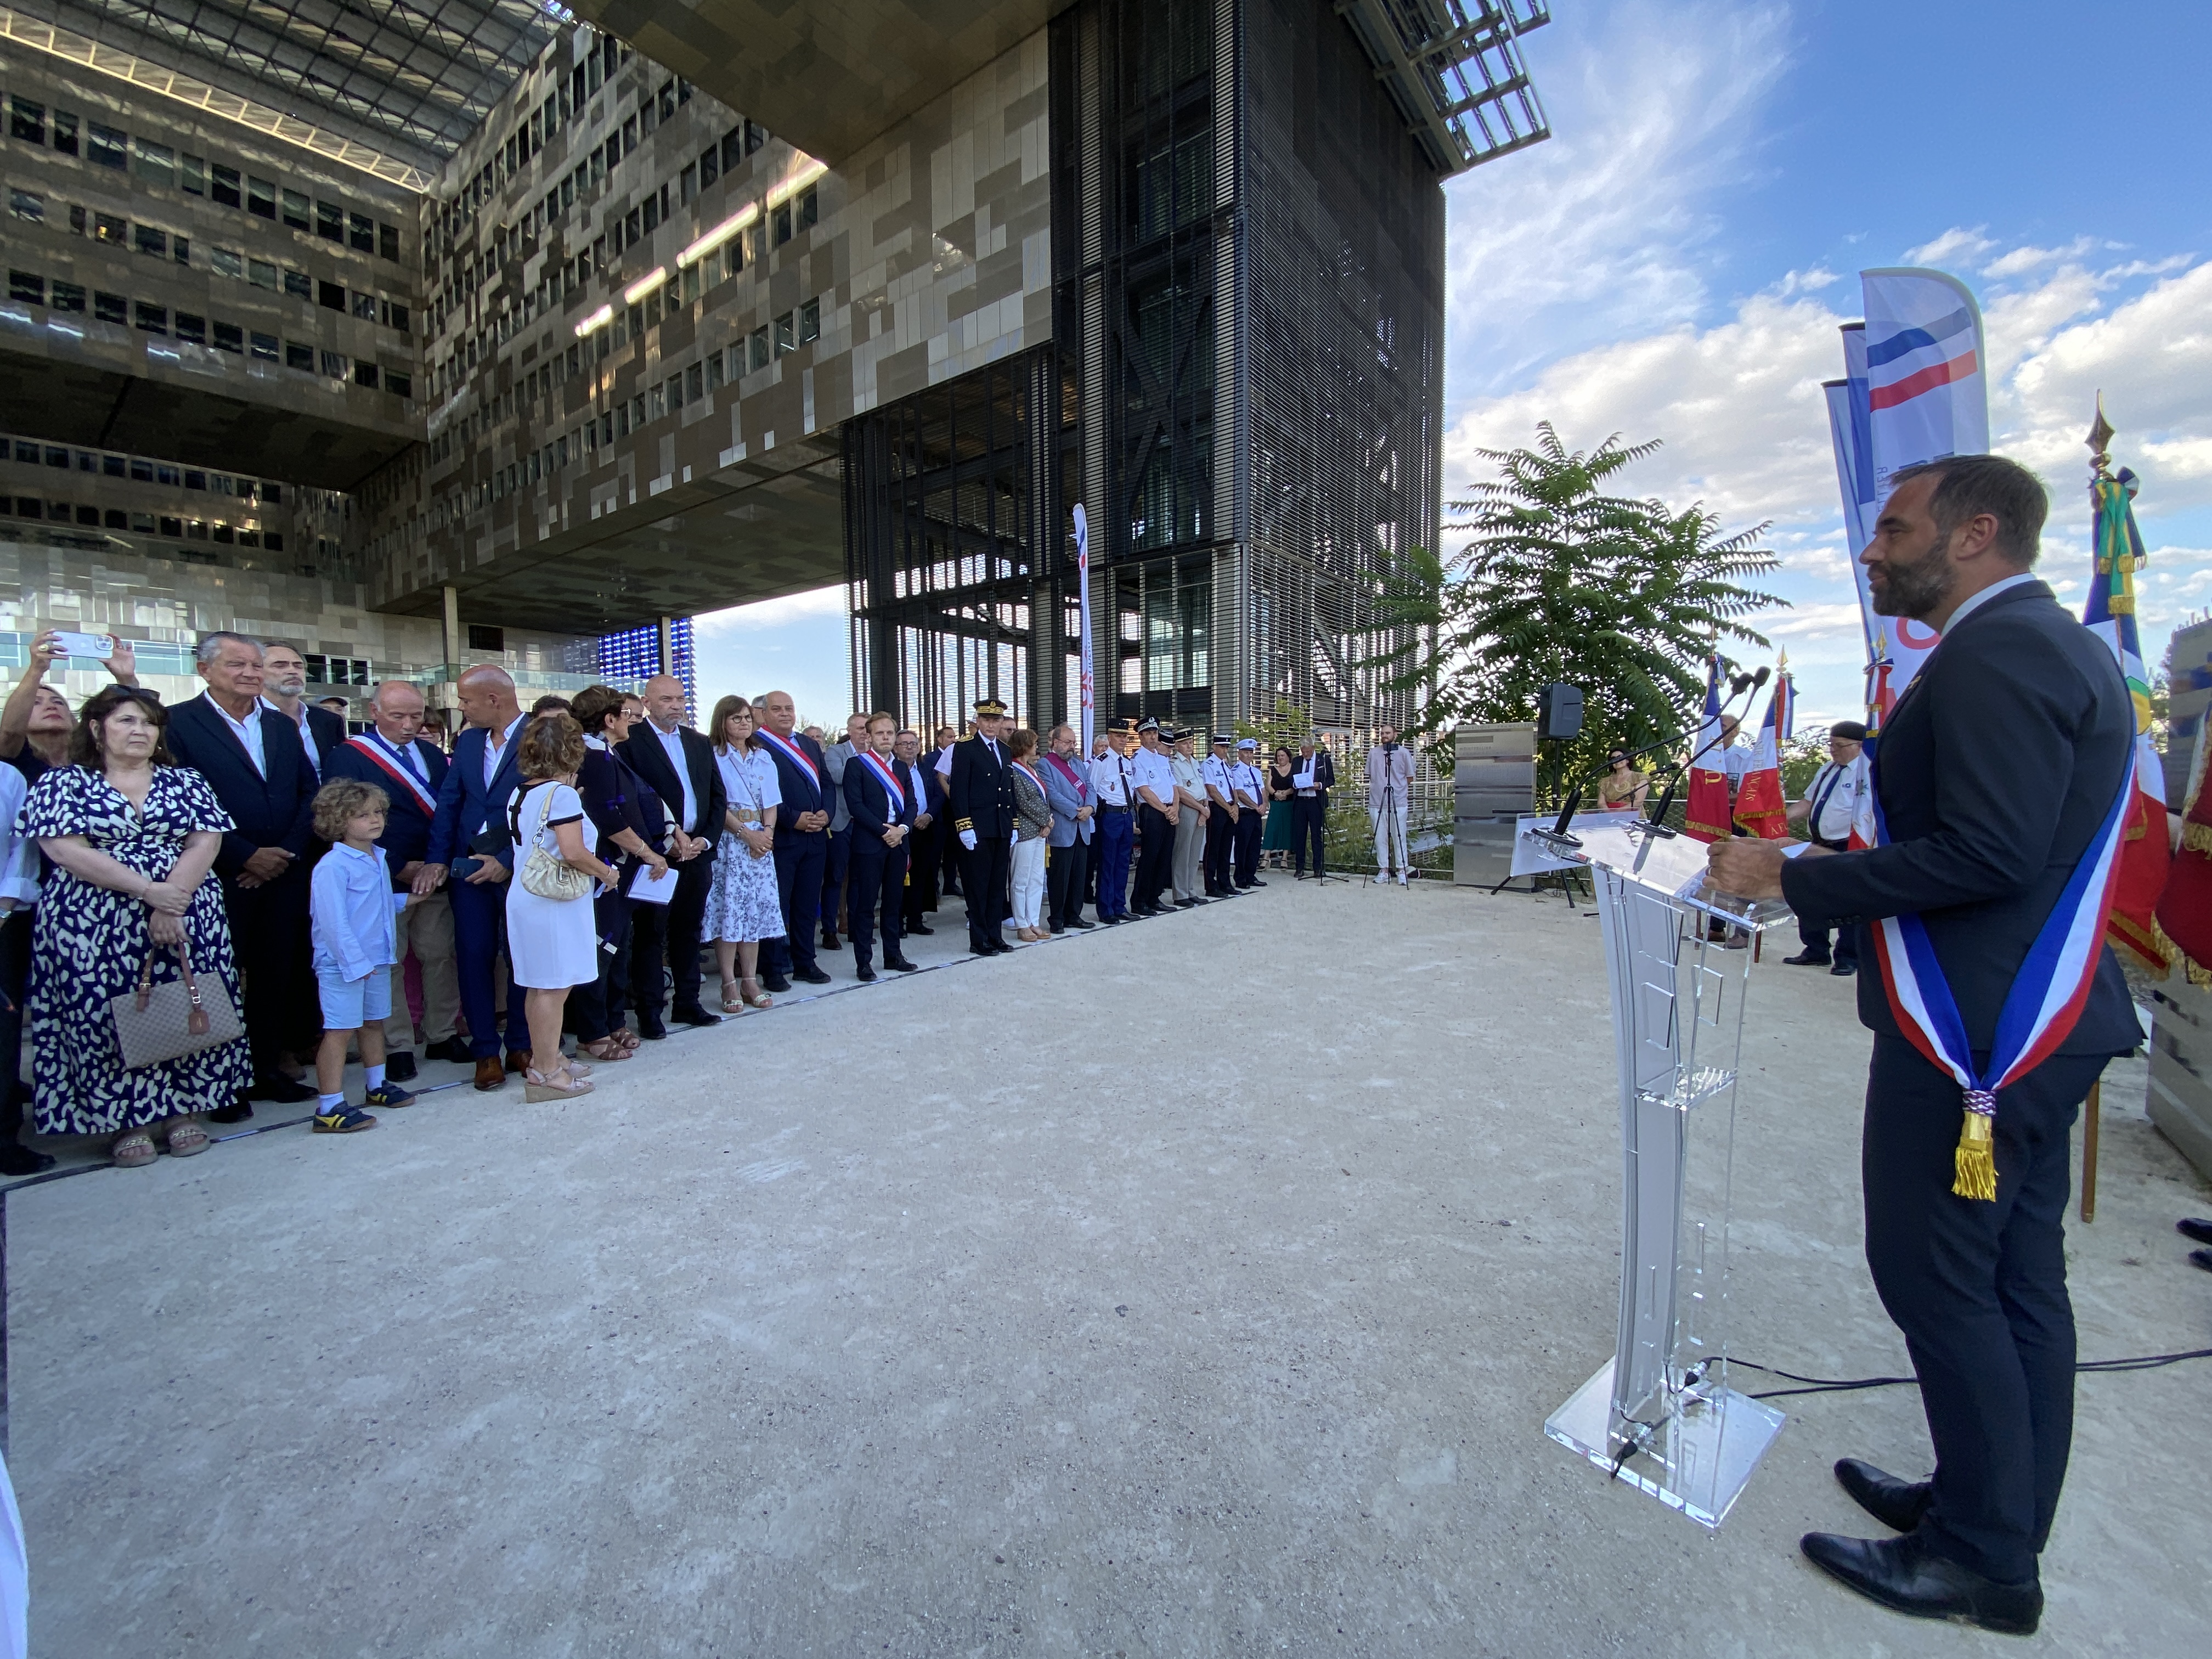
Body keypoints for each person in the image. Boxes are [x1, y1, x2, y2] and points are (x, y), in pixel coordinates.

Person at [1708, 454, 2139, 1635]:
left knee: (1940, 1280)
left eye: (1894, 527)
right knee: (2013, 1284)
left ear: (1975, 533)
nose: (1870, 546)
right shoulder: (2046, 647)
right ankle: (1986, 1509)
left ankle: (1983, 1559)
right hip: (2029, 1021)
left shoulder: (2002, 654)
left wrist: (1793, 876)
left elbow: (1990, 854)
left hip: (1980, 1036)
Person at [23, 686, 247, 1165]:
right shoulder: (63, 783)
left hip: (186, 910)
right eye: (127, 721)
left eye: (148, 723)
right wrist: (148, 892)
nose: (140, 731)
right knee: (104, 1016)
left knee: (187, 1003)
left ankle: (183, 1112)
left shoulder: (185, 780)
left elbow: (205, 843)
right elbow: (66, 851)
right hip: (93, 921)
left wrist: (171, 903)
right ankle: (126, 1121)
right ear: (97, 728)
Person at [163, 632, 322, 1115]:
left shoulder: (279, 726)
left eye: (257, 666)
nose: (251, 674)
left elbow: (307, 794)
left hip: (282, 874)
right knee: (213, 979)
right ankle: (219, 1083)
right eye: (238, 665)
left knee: (276, 975)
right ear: (205, 669)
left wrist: (284, 853)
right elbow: (177, 801)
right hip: (216, 875)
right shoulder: (176, 723)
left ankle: (266, 1068)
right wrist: (243, 855)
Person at [324, 680, 459, 1081]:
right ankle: (397, 1043)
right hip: (381, 877)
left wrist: (435, 863)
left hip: (434, 874)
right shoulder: (349, 756)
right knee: (390, 962)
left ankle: (442, 1033)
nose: (408, 724)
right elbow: (344, 817)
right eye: (398, 715)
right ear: (374, 712)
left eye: (415, 716)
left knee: (440, 955)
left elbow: (448, 813)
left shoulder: (434, 756)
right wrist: (400, 867)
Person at [420, 664, 529, 1091]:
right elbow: (450, 803)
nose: (461, 708)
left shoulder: (542, 737)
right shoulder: (467, 742)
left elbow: (550, 805)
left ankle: (521, 1042)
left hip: (521, 868)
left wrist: (506, 858)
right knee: (474, 955)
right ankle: (485, 1051)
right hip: (469, 870)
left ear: (493, 700)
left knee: (523, 955)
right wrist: (437, 859)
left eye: (466, 701)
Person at [505, 713, 620, 1101]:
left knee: (541, 985)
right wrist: (606, 872)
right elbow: (573, 851)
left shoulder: (521, 792)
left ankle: (547, 1057)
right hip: (555, 901)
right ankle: (547, 1070)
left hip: (528, 896)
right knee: (554, 987)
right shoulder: (563, 795)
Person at [306, 779, 414, 1132]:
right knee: (339, 1030)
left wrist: (410, 900)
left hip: (377, 960)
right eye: (362, 815)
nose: (375, 820)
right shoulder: (333, 866)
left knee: (373, 1022)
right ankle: (329, 1105)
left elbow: (377, 907)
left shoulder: (377, 858)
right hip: (344, 965)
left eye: (378, 812)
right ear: (339, 821)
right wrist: (355, 963)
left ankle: (376, 1084)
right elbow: (333, 922)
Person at [619, 674, 724, 1035]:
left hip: (697, 852)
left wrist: (706, 841)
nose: (676, 705)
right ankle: (650, 1012)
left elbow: (716, 796)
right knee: (650, 934)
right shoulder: (630, 742)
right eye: (667, 699)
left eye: (680, 699)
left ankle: (688, 1004)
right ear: (647, 703)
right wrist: (661, 841)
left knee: (689, 932)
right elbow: (632, 801)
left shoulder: (698, 742)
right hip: (655, 855)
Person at [570, 685, 668, 1059]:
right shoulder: (593, 757)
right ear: (609, 720)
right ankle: (592, 1032)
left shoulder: (608, 754)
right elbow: (608, 817)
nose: (631, 721)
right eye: (626, 715)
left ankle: (613, 1021)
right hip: (607, 870)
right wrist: (647, 854)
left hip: (623, 870)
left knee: (617, 947)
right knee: (601, 949)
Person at [704, 695, 786, 1009]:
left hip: (761, 842)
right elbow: (716, 803)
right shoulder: (712, 755)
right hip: (731, 840)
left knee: (753, 914)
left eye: (747, 718)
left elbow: (772, 802)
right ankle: (728, 982)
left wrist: (767, 834)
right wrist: (745, 834)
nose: (743, 723)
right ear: (722, 721)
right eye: (736, 718)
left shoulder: (763, 756)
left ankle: (750, 980)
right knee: (730, 913)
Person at [753, 691, 834, 988]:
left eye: (789, 708)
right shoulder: (757, 744)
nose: (785, 714)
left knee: (806, 904)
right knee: (776, 906)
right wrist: (792, 818)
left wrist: (827, 811)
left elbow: (825, 781)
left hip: (815, 837)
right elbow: (759, 795)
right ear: (764, 713)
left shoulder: (809, 744)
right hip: (782, 837)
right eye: (777, 709)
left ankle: (805, 962)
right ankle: (772, 968)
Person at [1783, 720, 1870, 977]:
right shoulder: (1827, 770)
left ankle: (1848, 957)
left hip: (1848, 844)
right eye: (1831, 744)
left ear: (1859, 746)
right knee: (1808, 894)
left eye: (1840, 745)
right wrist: (1780, 820)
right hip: (1818, 843)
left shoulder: (1866, 773)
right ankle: (1815, 949)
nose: (1833, 750)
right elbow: (1809, 801)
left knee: (1847, 901)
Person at [1, 630, 141, 787]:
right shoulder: (16, 757)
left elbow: (134, 724)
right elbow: (10, 733)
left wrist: (126, 679)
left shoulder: (93, 756)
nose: (51, 706)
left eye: (58, 702)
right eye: (36, 703)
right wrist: (36, 669)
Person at [842, 712, 922, 979]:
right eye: (880, 733)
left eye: (890, 733)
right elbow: (856, 806)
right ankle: (864, 962)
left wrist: (902, 830)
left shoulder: (901, 767)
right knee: (866, 905)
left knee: (893, 903)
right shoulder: (857, 765)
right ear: (870, 736)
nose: (885, 737)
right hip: (869, 843)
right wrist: (883, 830)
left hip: (898, 842)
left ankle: (893, 955)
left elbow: (911, 804)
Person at [0, 764, 50, 1174]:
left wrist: (6, 903)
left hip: (3, 919)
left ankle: (4, 1137)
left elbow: (23, 845)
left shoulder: (7, 777)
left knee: (3, 1033)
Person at [949, 698, 1018, 955]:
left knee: (998, 885)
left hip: (1000, 826)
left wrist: (1013, 823)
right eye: (986, 719)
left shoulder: (1005, 750)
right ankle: (979, 940)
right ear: (977, 721)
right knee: (979, 885)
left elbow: (1007, 790)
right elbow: (958, 790)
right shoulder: (965, 748)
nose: (991, 724)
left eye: (996, 720)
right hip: (977, 827)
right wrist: (964, 825)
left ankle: (995, 935)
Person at [259, 644, 346, 781]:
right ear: (257, 672)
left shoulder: (328, 720)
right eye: (280, 665)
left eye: (298, 666)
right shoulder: (248, 717)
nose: (292, 671)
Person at [820, 713, 870, 950]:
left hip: (864, 825)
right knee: (835, 877)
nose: (864, 732)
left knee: (860, 879)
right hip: (841, 823)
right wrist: (865, 768)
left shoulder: (875, 755)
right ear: (849, 730)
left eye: (867, 728)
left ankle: (855, 928)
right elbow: (836, 776)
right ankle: (829, 929)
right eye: (859, 728)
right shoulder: (836, 752)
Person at [1041, 724, 1094, 934]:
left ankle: (1075, 915)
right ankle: (1057, 919)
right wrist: (1076, 811)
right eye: (1067, 742)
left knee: (1079, 876)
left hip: (1083, 827)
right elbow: (1052, 794)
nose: (1071, 747)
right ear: (1055, 742)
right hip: (1063, 828)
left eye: (1074, 742)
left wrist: (1090, 807)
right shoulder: (1046, 765)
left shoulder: (1079, 764)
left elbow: (1090, 787)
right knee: (1059, 878)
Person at [1006, 728, 1053, 942]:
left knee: (1036, 879)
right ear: (1024, 746)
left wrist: (1048, 822)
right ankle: (1021, 923)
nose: (1037, 747)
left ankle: (1033, 920)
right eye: (1034, 744)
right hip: (1024, 830)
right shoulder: (1013, 770)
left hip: (1040, 830)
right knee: (1021, 880)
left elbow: (1043, 798)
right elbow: (1022, 801)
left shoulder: (1032, 769)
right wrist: (1046, 820)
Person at [1129, 719, 1180, 915]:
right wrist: (1165, 810)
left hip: (1168, 811)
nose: (1153, 737)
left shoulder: (1163, 759)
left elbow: (1174, 786)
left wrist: (1174, 808)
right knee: (1150, 857)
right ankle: (1140, 901)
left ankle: (1154, 897)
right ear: (1141, 736)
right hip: (1152, 812)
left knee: (1164, 856)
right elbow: (1144, 790)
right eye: (1148, 733)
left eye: (1155, 733)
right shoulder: (1137, 759)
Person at [897, 727, 943, 936]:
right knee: (898, 877)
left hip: (925, 828)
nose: (909, 747)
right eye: (904, 744)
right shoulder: (892, 769)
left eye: (913, 744)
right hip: (900, 831)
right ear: (896, 748)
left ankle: (915, 920)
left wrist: (929, 816)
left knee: (920, 876)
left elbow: (939, 795)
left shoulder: (926, 769)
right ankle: (897, 922)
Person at [1090, 723, 1136, 923]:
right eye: (1118, 736)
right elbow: (1092, 790)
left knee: (1123, 863)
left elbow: (1131, 790)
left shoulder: (1127, 762)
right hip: (1109, 816)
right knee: (1108, 863)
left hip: (1126, 815)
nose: (1123, 740)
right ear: (1109, 737)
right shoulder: (1101, 762)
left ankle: (1120, 906)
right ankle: (1106, 909)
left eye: (1125, 736)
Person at [1367, 725, 1415, 885]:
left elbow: (1409, 777)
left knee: (1399, 835)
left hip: (1398, 801)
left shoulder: (1403, 753)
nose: (1384, 736)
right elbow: (1370, 776)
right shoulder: (1373, 753)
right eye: (1382, 733)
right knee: (1380, 838)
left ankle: (1402, 870)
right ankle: (1384, 870)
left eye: (1387, 733)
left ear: (1395, 735)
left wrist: (1398, 786)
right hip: (1377, 801)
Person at [1167, 729, 1210, 908]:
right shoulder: (1175, 763)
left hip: (1201, 808)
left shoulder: (1195, 762)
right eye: (1185, 743)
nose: (1189, 746)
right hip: (1187, 809)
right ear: (1177, 745)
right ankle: (1180, 893)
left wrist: (1205, 808)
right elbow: (1181, 792)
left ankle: (1191, 890)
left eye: (1191, 742)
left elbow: (1202, 787)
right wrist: (1202, 808)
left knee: (1194, 854)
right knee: (1182, 852)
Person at [1199, 734, 1240, 898]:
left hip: (1230, 807)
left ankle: (1225, 883)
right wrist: (1229, 808)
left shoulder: (1227, 766)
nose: (1225, 750)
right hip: (1218, 808)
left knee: (1225, 848)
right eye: (1222, 747)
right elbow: (1213, 791)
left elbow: (1233, 788)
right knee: (1213, 848)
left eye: (1226, 748)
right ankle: (1211, 885)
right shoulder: (1208, 765)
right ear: (1214, 747)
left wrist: (1236, 805)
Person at [1291, 736, 1336, 879]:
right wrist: (1295, 784)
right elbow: (1291, 778)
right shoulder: (1297, 761)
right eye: (1303, 752)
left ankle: (1318, 868)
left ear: (1313, 749)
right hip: (1300, 801)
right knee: (1300, 835)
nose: (1305, 755)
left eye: (1308, 752)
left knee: (1317, 835)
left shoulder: (1323, 760)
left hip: (1315, 801)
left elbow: (1331, 779)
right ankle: (1300, 867)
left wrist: (1320, 785)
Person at [930, 723, 964, 898]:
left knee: (953, 849)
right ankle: (934, 885)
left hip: (955, 813)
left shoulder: (959, 755)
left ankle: (950, 884)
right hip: (938, 813)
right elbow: (934, 783)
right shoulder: (930, 758)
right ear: (939, 739)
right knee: (937, 851)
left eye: (954, 737)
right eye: (949, 737)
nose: (953, 740)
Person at [1261, 745, 1297, 871]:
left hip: (1289, 803)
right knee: (1271, 829)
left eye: (1283, 755)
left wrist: (1285, 793)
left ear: (1288, 756)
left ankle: (1284, 858)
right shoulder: (1273, 770)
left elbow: (1296, 785)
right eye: (1278, 756)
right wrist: (1276, 793)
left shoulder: (1294, 768)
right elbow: (1268, 785)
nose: (1280, 758)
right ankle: (1266, 858)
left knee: (1287, 830)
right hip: (1276, 803)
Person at [1597, 748, 1649, 812]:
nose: (1617, 760)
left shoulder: (1639, 777)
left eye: (1620, 757)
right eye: (1613, 758)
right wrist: (1610, 814)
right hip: (1610, 818)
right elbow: (1601, 803)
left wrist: (1618, 812)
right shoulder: (1605, 781)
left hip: (1633, 817)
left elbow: (1639, 801)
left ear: (1628, 760)